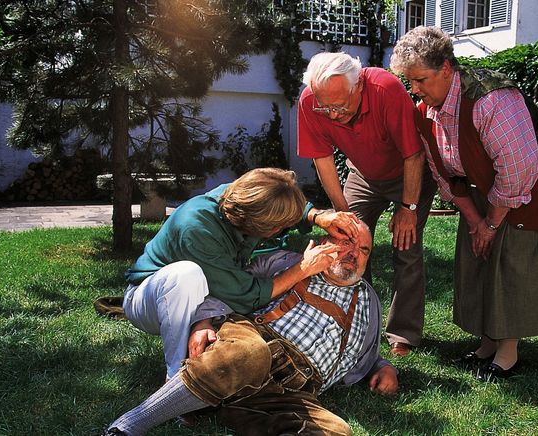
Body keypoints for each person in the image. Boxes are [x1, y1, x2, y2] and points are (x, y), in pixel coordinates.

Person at [390, 26, 538, 381]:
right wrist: (475, 221)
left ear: (447, 69)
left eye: (420, 80)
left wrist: (492, 224)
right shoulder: (425, 112)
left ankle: (508, 351)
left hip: (536, 181)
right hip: (486, 181)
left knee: (511, 257)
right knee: (476, 253)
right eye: (410, 81)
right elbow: (443, 173)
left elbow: (518, 171)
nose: (414, 89)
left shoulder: (492, 99)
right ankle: (485, 343)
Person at [105, 221, 398, 436]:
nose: (353, 253)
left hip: (293, 389)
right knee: (250, 354)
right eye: (346, 241)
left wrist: (383, 367)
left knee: (336, 430)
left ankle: (214, 402)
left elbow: (366, 352)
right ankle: (130, 425)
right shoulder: (285, 262)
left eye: (363, 249)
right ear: (324, 240)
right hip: (255, 338)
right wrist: (204, 319)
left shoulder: (369, 300)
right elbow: (228, 286)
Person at [122, 167, 361, 379]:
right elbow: (245, 295)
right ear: (254, 222)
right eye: (279, 227)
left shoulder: (244, 196)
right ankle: (177, 376)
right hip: (151, 301)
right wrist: (303, 269)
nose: (282, 229)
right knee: (186, 275)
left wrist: (318, 217)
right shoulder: (197, 229)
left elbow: (279, 203)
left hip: (201, 292)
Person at [297, 51, 437, 356]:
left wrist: (408, 209)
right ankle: (358, 321)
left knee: (406, 246)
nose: (332, 115)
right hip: (363, 172)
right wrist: (342, 212)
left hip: (407, 172)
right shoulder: (310, 102)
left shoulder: (386, 89)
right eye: (326, 107)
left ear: (358, 85)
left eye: (340, 106)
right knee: (347, 242)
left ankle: (403, 334)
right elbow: (322, 159)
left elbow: (413, 155)